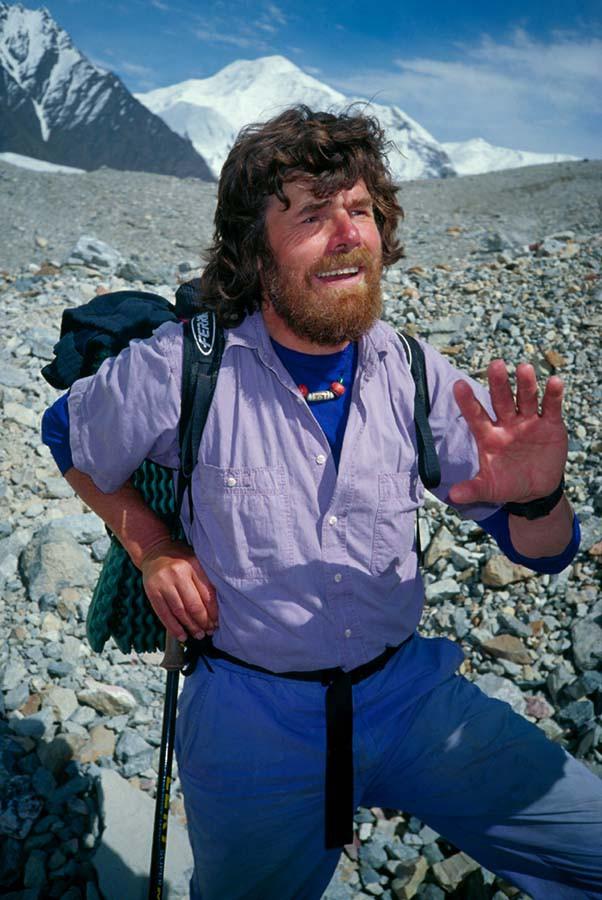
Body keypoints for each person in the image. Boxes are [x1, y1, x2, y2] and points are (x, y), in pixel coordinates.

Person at [42, 105, 602, 900]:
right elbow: (68, 435)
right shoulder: (181, 368)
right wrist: (154, 548)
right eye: (312, 215)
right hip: (247, 718)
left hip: (410, 694)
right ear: (253, 253)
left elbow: (543, 551)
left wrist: (540, 496)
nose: (349, 234)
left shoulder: (414, 372)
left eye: (362, 211)